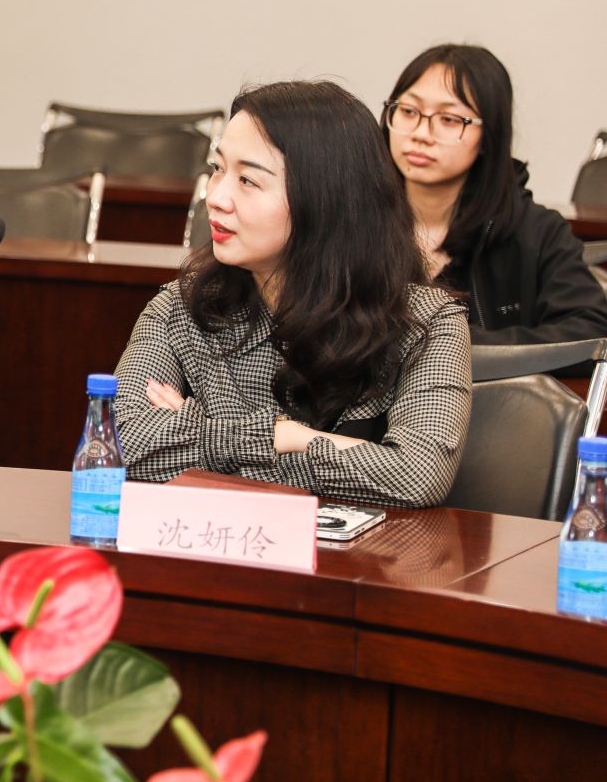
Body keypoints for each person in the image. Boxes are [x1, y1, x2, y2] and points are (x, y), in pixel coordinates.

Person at [114, 81, 471, 508]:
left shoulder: (427, 323)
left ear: (324, 200)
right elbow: (119, 446)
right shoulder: (180, 307)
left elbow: (417, 476)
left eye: (248, 180)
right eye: (218, 168)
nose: (216, 196)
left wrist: (204, 436)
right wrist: (277, 436)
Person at [383, 43, 607, 346]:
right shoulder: (359, 220)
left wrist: (456, 346)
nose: (421, 134)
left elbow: (590, 331)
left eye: (449, 119)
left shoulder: (536, 232)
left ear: (489, 135)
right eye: (409, 111)